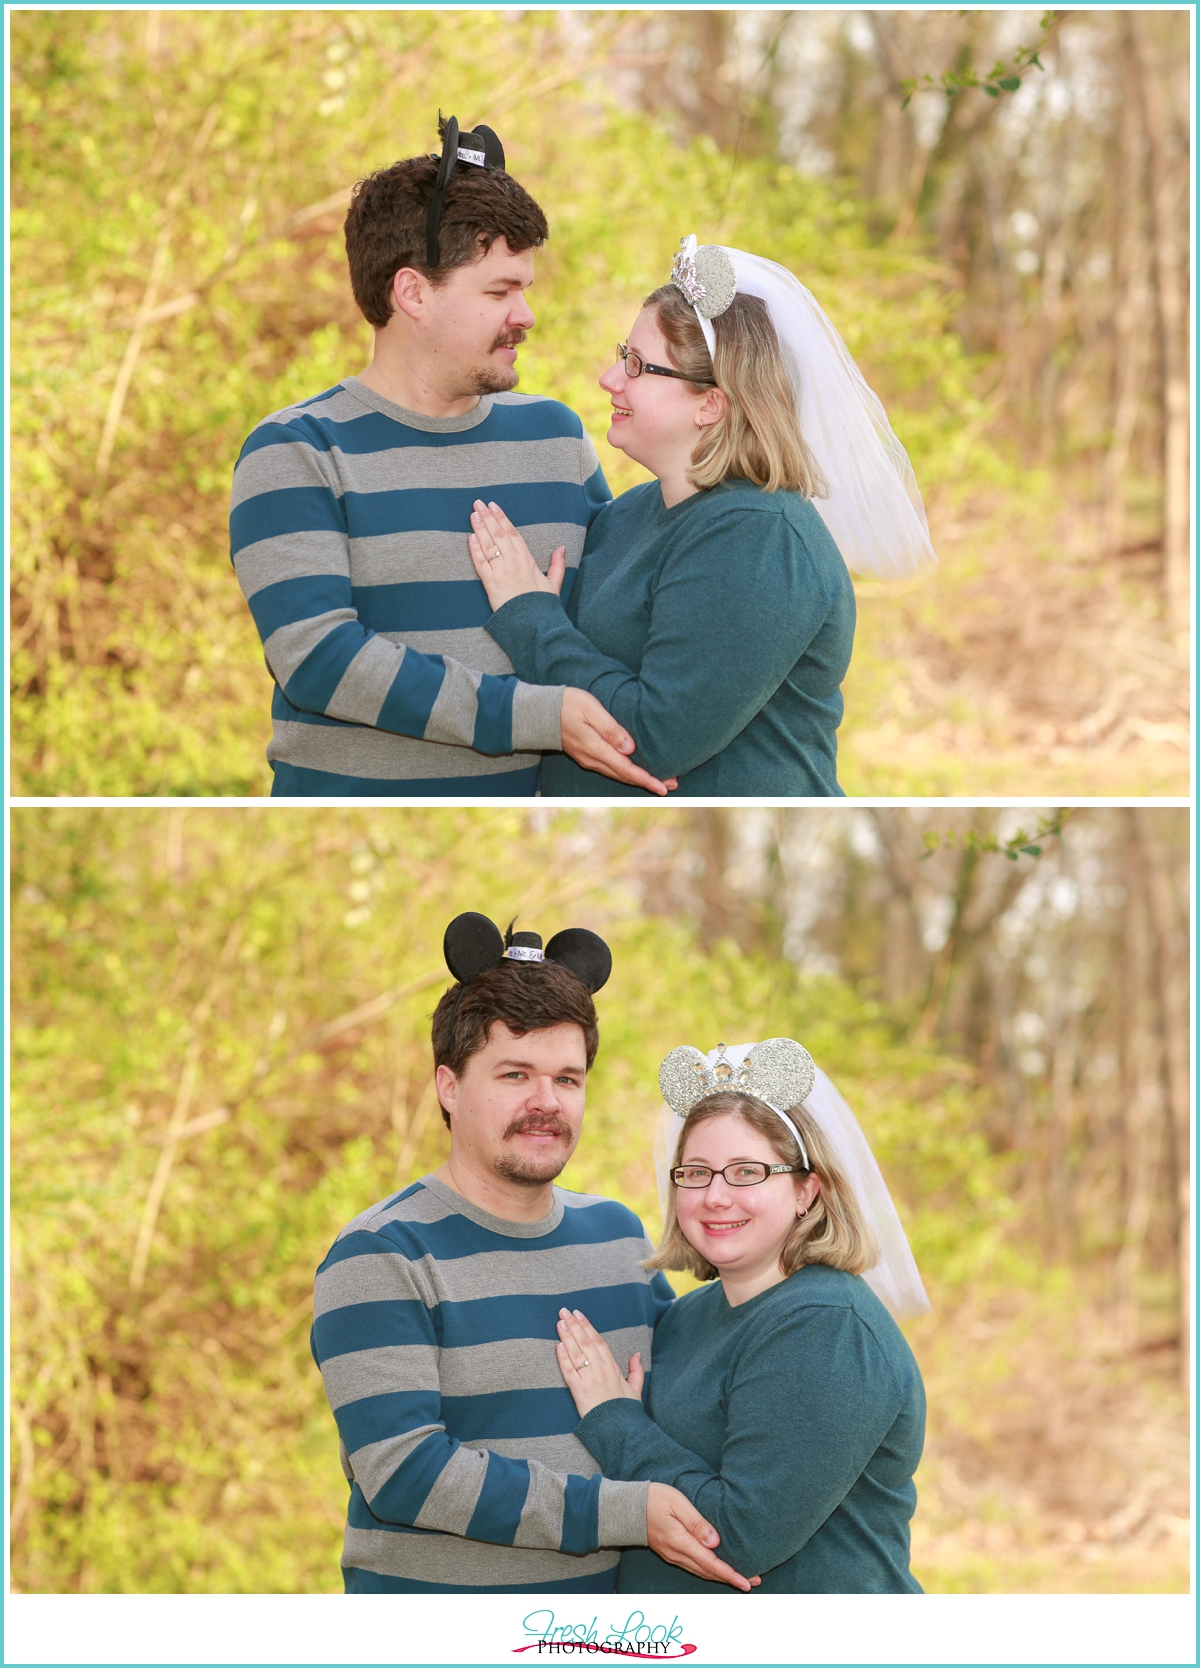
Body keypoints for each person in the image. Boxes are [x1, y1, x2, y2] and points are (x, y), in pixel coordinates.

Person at [310, 914, 755, 1594]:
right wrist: (625, 1514)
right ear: (448, 1087)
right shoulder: (381, 1253)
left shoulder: (618, 1237)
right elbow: (404, 1475)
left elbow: (696, 1392)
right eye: (515, 1074)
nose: (546, 1103)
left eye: (568, 1080)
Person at [230, 116, 671, 798]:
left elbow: (619, 621)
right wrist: (535, 716)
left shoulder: (555, 438)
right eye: (499, 291)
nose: (525, 314)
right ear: (412, 293)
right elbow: (318, 661)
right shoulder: (296, 452)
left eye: (525, 287)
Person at [468, 236, 937, 796]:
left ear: (710, 404)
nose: (610, 379)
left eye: (638, 367)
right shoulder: (628, 514)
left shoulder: (760, 537)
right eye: (623, 356)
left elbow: (652, 739)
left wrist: (529, 616)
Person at [550, 1038, 931, 1592]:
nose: (716, 1196)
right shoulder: (685, 1318)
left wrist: (615, 1419)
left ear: (807, 1189)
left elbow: (735, 1539)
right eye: (696, 1173)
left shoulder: (826, 1324)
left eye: (747, 1172)